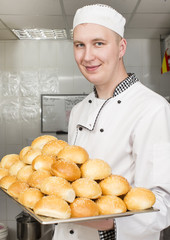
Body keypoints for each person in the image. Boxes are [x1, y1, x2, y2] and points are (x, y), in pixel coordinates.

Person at [52, 4, 170, 240]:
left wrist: (108, 224)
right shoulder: (78, 110)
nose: (87, 56)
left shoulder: (152, 108)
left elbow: (163, 202)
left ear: (121, 47)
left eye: (99, 43)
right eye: (79, 45)